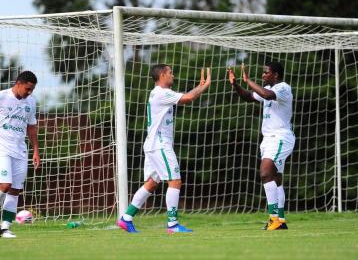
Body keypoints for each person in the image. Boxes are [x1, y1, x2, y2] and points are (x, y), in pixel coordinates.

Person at [118, 64, 211, 233]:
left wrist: (199, 86)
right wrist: (203, 87)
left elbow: (187, 95)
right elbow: (188, 99)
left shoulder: (157, 93)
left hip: (153, 144)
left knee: (152, 183)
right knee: (175, 181)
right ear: (162, 75)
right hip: (160, 144)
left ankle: (126, 218)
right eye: (170, 73)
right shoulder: (162, 93)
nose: (173, 76)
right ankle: (173, 224)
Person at [228, 62, 295, 230]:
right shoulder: (266, 88)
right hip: (269, 139)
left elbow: (266, 95)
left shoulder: (283, 88)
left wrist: (248, 80)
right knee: (276, 179)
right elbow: (249, 97)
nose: (263, 75)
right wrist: (236, 84)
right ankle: (280, 220)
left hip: (280, 137)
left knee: (265, 172)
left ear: (276, 75)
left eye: (266, 72)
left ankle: (273, 219)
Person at [0, 71, 40, 238]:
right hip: (0, 146)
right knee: (5, 184)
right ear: (18, 83)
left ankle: (5, 228)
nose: (29, 92)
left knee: (15, 190)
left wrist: (35, 151)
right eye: (27, 88)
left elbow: (31, 127)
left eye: (32, 89)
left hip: (20, 149)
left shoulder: (31, 102)